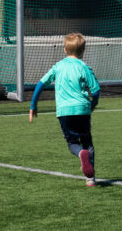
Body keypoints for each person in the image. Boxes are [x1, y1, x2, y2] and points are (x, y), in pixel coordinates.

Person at [28, 32, 102, 186]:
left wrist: (33, 105)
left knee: (72, 143)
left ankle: (79, 153)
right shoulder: (85, 67)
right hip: (82, 110)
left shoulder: (58, 66)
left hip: (64, 112)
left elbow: (41, 84)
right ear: (83, 50)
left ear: (65, 50)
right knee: (87, 141)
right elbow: (95, 91)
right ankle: (90, 179)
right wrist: (93, 105)